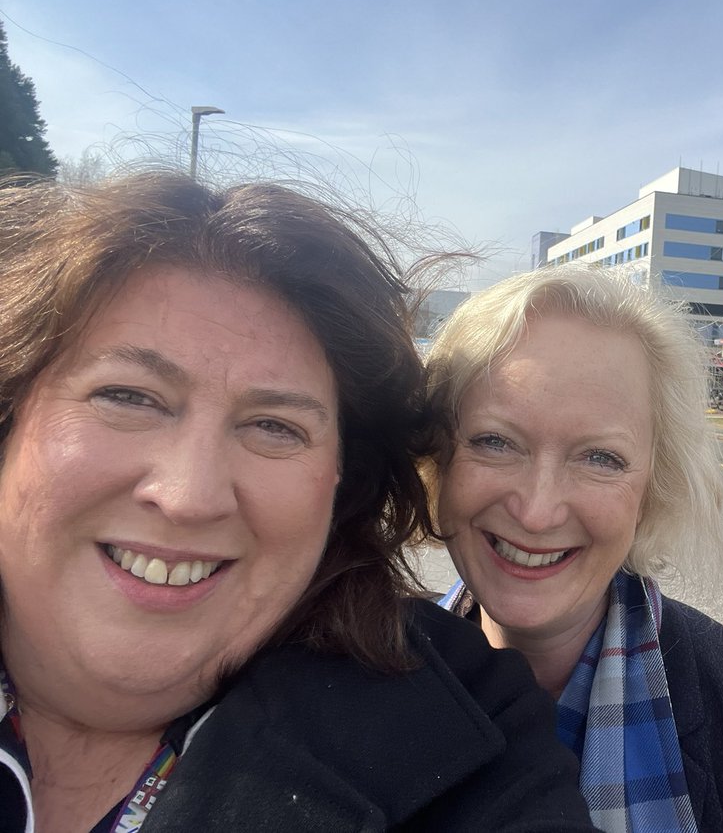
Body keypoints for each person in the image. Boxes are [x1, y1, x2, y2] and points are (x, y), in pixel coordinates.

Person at [0, 172, 596, 832]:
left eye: (276, 427)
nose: (188, 497)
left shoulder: (469, 735)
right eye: (128, 396)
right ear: (11, 416)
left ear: (344, 482)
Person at [425, 263, 723, 833]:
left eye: (600, 458)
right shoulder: (352, 679)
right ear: (436, 455)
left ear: (654, 487)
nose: (537, 510)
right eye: (494, 442)